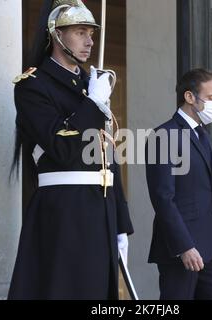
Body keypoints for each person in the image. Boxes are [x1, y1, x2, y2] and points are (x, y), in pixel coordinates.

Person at [8, 0, 133, 300]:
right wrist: (94, 104)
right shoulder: (33, 86)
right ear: (57, 35)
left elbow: (106, 156)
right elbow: (62, 147)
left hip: (100, 210)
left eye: (91, 33)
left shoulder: (90, 85)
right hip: (63, 210)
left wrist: (120, 222)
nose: (90, 41)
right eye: (80, 32)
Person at [145, 69, 212, 300]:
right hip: (182, 250)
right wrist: (184, 246)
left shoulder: (203, 135)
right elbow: (163, 197)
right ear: (190, 97)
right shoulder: (163, 135)